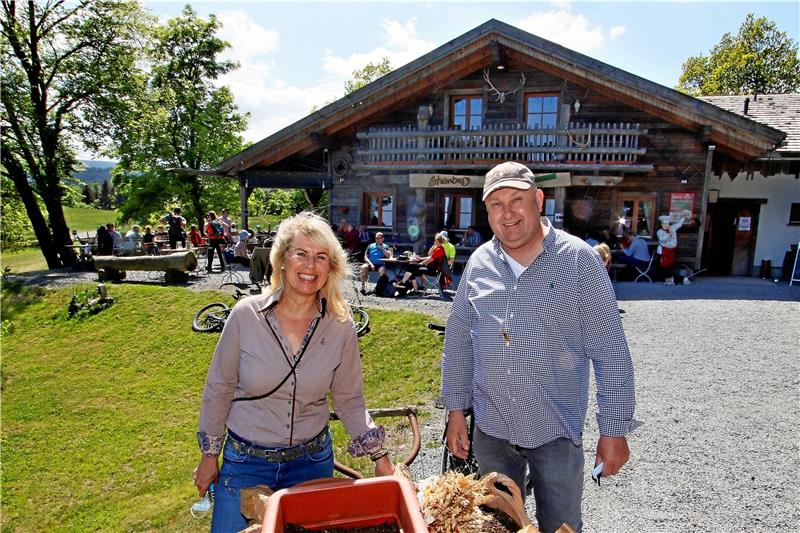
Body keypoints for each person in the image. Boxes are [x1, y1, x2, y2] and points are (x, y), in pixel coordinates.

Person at [440, 161, 641, 533]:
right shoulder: (479, 263)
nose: (507, 213)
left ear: (538, 200)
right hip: (492, 428)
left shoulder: (578, 260)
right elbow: (458, 341)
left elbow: (610, 349)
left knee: (560, 526)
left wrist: (614, 429)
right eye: (496, 204)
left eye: (516, 200)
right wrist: (455, 410)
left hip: (555, 429)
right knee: (497, 524)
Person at [193, 212, 394, 532]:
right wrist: (209, 457)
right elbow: (220, 387)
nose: (310, 265)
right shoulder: (246, 315)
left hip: (310, 464)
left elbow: (349, 399)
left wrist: (380, 458)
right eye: (301, 253)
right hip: (246, 464)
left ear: (331, 267)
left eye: (321, 256)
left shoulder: (340, 325)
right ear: (283, 259)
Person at [656, 214, 690, 285]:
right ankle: (680, 279)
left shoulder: (673, 228)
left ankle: (673, 280)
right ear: (661, 224)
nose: (666, 225)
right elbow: (662, 239)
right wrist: (669, 234)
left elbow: (679, 224)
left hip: (671, 251)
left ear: (669, 224)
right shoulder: (659, 232)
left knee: (669, 267)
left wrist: (684, 218)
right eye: (664, 224)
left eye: (667, 224)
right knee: (664, 267)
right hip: (663, 251)